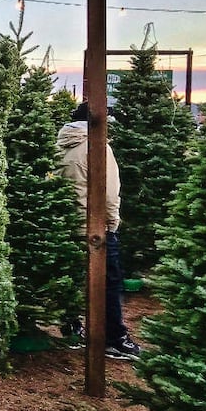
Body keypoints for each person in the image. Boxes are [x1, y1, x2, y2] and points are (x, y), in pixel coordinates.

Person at [56, 101, 141, 360]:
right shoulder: (98, 147)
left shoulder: (61, 145)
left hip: (67, 224)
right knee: (109, 283)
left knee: (71, 278)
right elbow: (110, 192)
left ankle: (71, 328)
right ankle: (115, 338)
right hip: (96, 227)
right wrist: (112, 225)